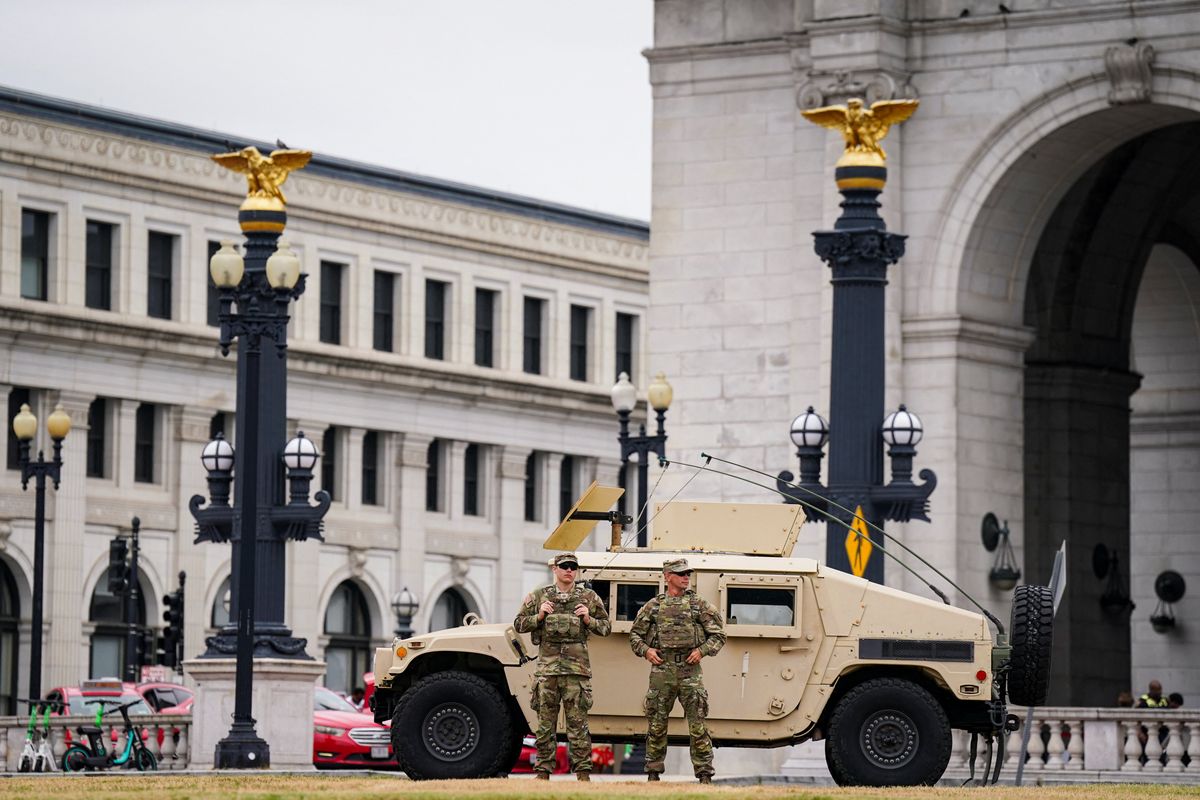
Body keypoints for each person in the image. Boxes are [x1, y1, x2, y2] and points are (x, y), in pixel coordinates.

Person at [513, 552, 610, 781]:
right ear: (555, 569)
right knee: (545, 724)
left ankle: (583, 774)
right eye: (564, 566)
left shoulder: (588, 597)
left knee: (578, 725)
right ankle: (543, 772)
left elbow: (606, 627)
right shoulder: (539, 596)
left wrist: (589, 619)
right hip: (547, 671)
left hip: (576, 673)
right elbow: (518, 623)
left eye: (573, 567)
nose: (569, 570)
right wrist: (538, 617)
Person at [629, 558, 726, 784]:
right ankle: (653, 774)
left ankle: (704, 775)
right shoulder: (653, 606)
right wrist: (646, 651)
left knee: (698, 723)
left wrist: (702, 651)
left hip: (690, 671)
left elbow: (719, 635)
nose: (685, 577)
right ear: (667, 576)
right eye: (680, 573)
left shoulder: (699, 605)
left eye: (687, 573)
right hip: (662, 670)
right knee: (656, 723)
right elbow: (634, 635)